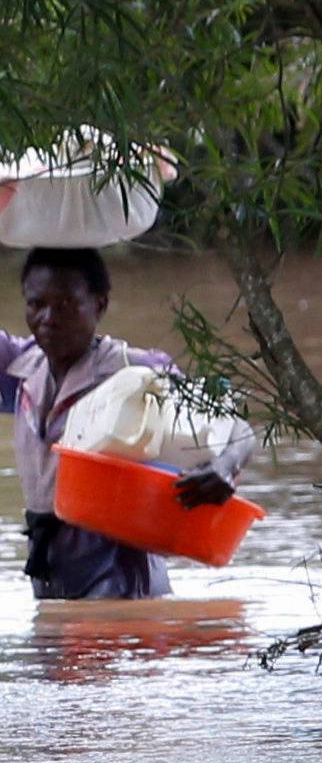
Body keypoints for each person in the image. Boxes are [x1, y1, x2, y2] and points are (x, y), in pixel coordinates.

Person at [3, 246, 253, 600]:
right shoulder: (21, 368)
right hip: (50, 570)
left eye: (64, 305)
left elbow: (235, 427)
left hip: (119, 573)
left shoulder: (134, 372)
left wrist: (224, 468)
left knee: (109, 646)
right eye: (35, 304)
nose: (47, 318)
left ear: (99, 305)